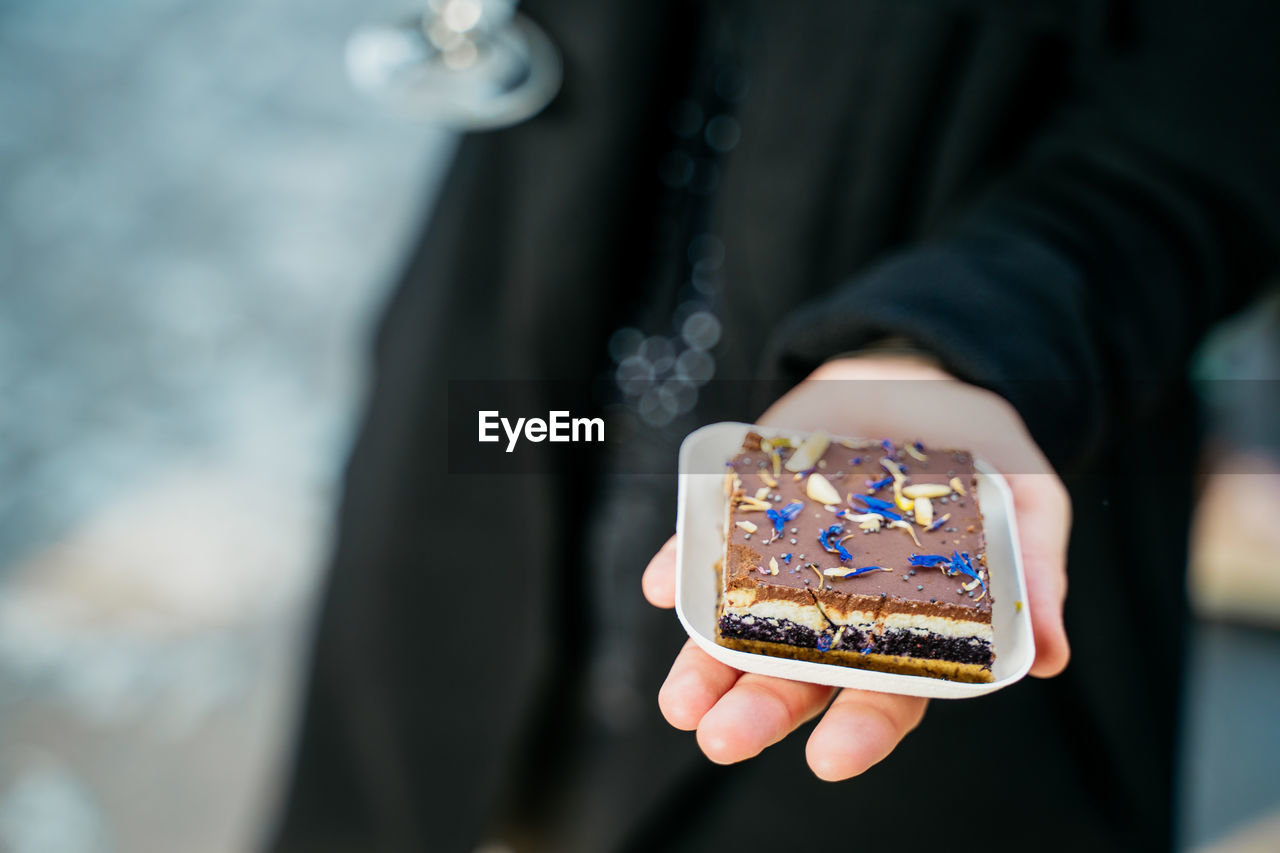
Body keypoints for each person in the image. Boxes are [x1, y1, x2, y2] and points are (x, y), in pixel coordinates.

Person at [268, 1, 1280, 850]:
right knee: (412, 747)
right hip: (519, 397)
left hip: (1002, 389)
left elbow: (1219, 108)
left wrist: (949, 341)